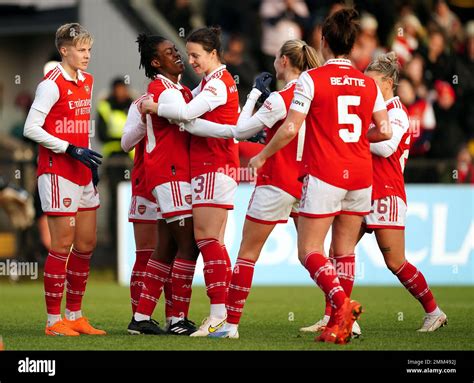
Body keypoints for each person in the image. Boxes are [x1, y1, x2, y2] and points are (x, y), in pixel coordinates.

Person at [249, 9, 392, 344]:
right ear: (353, 44)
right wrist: (356, 140)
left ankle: (342, 306)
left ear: (323, 41)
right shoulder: (368, 83)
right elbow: (384, 131)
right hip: (360, 174)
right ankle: (341, 324)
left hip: (326, 173)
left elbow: (290, 128)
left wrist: (262, 155)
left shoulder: (312, 79)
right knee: (344, 251)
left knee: (309, 250)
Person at [178, 39, 321, 338]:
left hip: (276, 180)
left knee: (246, 254)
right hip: (308, 181)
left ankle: (228, 326)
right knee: (312, 252)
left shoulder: (280, 99)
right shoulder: (314, 96)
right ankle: (342, 311)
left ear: (283, 61)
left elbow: (241, 130)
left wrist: (255, 94)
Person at [302, 52, 447, 335]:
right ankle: (338, 317)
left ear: (389, 83)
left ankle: (434, 311)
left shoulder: (397, 113)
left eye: (373, 82)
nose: (367, 86)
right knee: (337, 253)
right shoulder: (369, 110)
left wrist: (351, 136)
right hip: (362, 189)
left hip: (387, 192)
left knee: (395, 261)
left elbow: (386, 147)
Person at [141, 26, 239, 337]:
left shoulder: (217, 84)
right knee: (210, 243)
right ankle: (221, 316)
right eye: (188, 55)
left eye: (196, 55)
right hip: (208, 169)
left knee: (207, 242)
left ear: (213, 54)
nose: (191, 61)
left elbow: (184, 112)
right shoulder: (209, 83)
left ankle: (219, 315)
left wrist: (153, 106)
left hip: (213, 167)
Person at [23, 23, 105, 336]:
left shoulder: (87, 80)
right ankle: (52, 321)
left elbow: (79, 123)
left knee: (86, 244)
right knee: (62, 245)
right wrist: (70, 148)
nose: (86, 56)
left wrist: (87, 156)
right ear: (64, 51)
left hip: (82, 170)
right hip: (57, 170)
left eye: (88, 50)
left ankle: (75, 315)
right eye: (81, 50)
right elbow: (32, 128)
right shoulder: (51, 84)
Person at [127, 34, 200, 336]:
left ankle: (143, 318)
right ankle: (176, 318)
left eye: (176, 50)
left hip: (174, 175)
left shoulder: (179, 89)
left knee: (167, 248)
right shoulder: (161, 90)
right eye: (169, 52)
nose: (178, 55)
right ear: (156, 62)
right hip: (168, 175)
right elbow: (188, 118)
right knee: (189, 245)